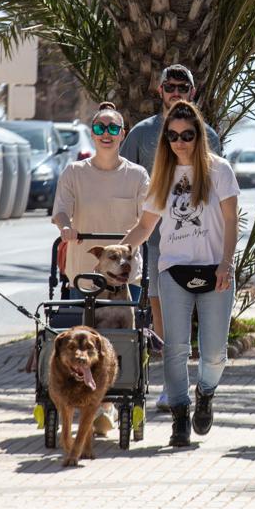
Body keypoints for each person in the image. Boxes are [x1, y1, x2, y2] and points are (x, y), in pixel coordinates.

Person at [121, 101, 239, 448]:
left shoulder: (220, 171)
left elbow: (231, 221)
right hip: (173, 270)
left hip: (215, 269)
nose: (180, 142)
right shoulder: (163, 174)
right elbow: (145, 225)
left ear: (199, 135)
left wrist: (227, 263)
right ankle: (179, 417)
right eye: (173, 136)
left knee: (215, 353)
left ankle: (205, 392)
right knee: (174, 348)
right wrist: (120, 252)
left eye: (187, 135)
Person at [118, 63, 222, 411]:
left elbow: (221, 195)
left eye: (182, 85)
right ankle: (171, 388)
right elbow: (127, 181)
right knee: (160, 315)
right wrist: (127, 240)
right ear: (159, 90)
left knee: (202, 332)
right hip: (155, 245)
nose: (175, 91)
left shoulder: (208, 134)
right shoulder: (141, 135)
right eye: (169, 85)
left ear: (192, 92)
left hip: (201, 249)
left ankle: (199, 386)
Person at [51, 101, 150, 436]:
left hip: (125, 276)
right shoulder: (75, 173)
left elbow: (147, 219)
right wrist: (65, 228)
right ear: (92, 133)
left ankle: (106, 407)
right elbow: (61, 211)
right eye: (99, 128)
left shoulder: (137, 176)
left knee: (122, 343)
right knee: (84, 346)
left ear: (123, 134)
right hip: (85, 276)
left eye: (113, 128)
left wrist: (128, 247)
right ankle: (91, 407)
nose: (106, 134)